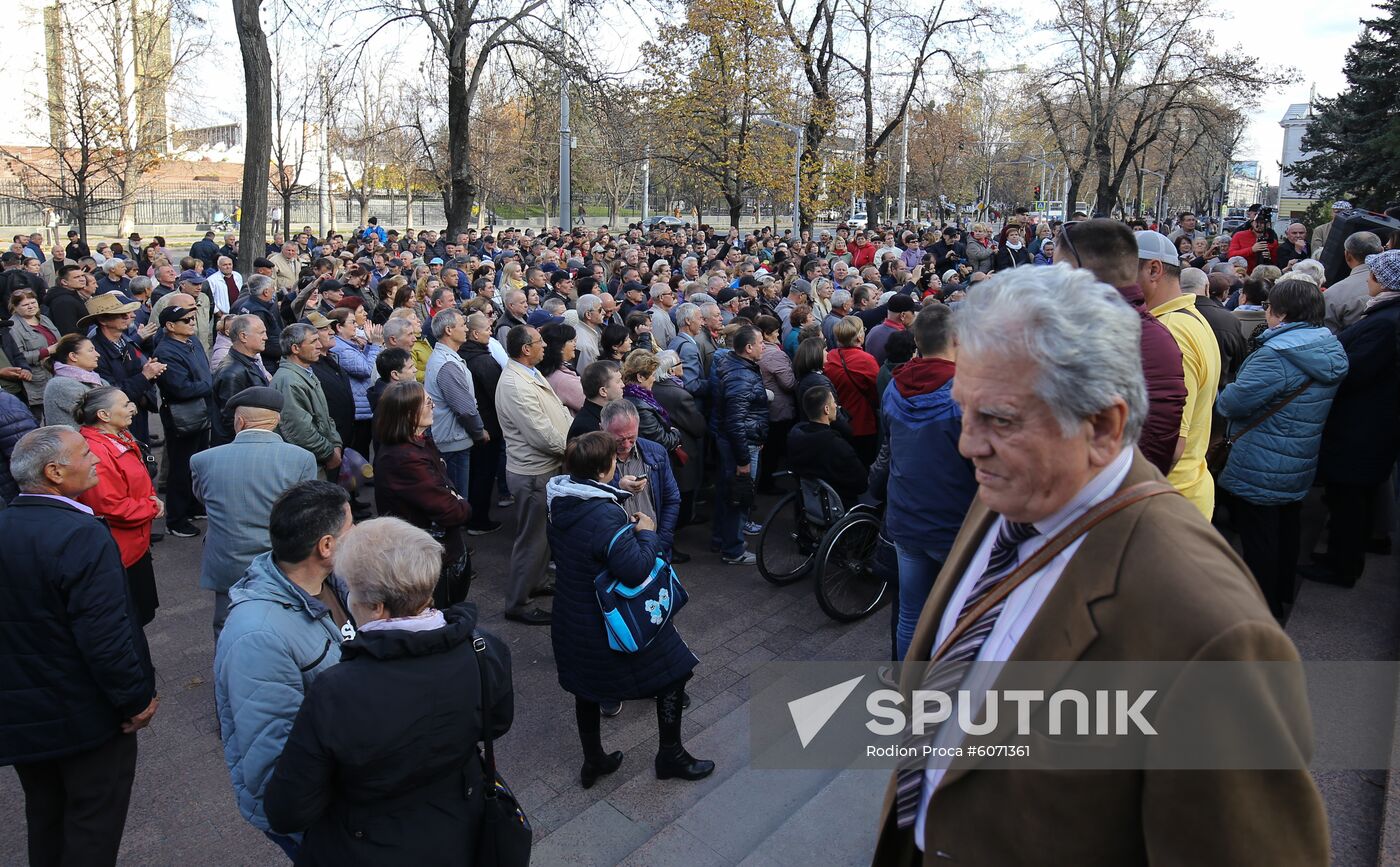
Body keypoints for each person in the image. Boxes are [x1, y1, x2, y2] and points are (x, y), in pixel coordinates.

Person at [870, 263, 1327, 865]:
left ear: (1105, 427)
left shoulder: (1212, 629)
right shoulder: (1009, 485)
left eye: (1001, 420)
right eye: (966, 410)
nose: (968, 444)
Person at [261, 518, 513, 862]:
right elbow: (497, 722)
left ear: (377, 606)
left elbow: (288, 810)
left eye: (350, 590)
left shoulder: (337, 691)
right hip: (462, 825)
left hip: (371, 845)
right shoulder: (485, 648)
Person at [0, 427, 159, 867]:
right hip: (84, 715)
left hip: (24, 714)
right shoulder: (79, 533)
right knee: (92, 826)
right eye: (85, 453)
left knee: (46, 817)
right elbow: (106, 637)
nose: (95, 460)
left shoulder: (8, 524)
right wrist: (135, 699)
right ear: (54, 473)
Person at [545, 431, 712, 789]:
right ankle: (671, 754)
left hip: (572, 618)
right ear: (605, 469)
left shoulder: (561, 501)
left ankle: (594, 761)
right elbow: (635, 568)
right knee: (673, 673)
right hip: (609, 620)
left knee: (586, 689)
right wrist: (647, 531)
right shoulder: (602, 515)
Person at [214, 480, 353, 855]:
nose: (356, 537)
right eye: (350, 530)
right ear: (326, 546)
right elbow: (274, 763)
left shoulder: (329, 582)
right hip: (320, 820)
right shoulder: (257, 637)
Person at [1213, 279, 1347, 620]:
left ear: (1281, 312)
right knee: (1288, 528)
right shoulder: (1328, 346)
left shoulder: (1275, 355)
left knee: (1258, 538)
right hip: (1298, 457)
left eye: (1270, 307)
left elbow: (1233, 404)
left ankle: (1262, 608)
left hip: (1261, 457)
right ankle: (1282, 591)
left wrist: (1218, 393)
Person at [867, 305, 977, 660]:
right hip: (953, 526)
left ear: (917, 342)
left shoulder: (894, 388)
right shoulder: (967, 393)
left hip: (906, 520)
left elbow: (889, 447)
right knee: (962, 615)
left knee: (911, 613)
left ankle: (908, 687)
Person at [1053, 219, 1185, 476]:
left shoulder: (1098, 333)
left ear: (1078, 274)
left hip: (1096, 496)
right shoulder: (1155, 334)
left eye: (1058, 271)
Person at [192, 387, 319, 635]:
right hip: (281, 563)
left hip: (228, 563)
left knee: (228, 626)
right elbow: (304, 513)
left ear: (239, 421)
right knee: (284, 627)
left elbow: (203, 499)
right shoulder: (302, 459)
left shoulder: (202, 460)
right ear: (277, 420)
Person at [1308, 249, 1400, 588]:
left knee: (1350, 501)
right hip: (1367, 424)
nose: (1368, 281)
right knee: (1351, 499)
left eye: (1373, 275)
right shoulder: (1384, 314)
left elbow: (1353, 371)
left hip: (1363, 427)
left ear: (1384, 281)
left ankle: (1342, 566)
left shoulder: (1386, 322)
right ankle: (1340, 557)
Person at [1136, 231, 1220, 519]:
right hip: (1183, 494)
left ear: (1154, 269)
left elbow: (1169, 444)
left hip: (1166, 504)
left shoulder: (1169, 332)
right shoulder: (1191, 318)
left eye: (1122, 273)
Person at [496, 325, 572, 624]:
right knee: (531, 540)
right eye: (540, 342)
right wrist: (571, 448)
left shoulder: (531, 372)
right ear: (526, 349)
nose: (545, 347)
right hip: (532, 473)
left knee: (542, 537)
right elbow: (540, 433)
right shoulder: (515, 383)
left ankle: (537, 582)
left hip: (545, 469)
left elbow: (557, 410)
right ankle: (517, 603)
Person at [373, 381, 473, 607]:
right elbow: (451, 510)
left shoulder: (418, 443)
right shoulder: (404, 458)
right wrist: (461, 504)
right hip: (425, 557)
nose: (434, 406)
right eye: (427, 402)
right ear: (408, 414)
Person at [73, 387, 162, 626]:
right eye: (124, 405)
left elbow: (137, 478)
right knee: (129, 619)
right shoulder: (96, 451)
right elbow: (109, 506)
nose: (132, 408)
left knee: (140, 615)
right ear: (103, 415)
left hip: (135, 544)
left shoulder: (118, 437)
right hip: (121, 551)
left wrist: (151, 497)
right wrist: (151, 507)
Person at [153, 304, 214, 538]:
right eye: (186, 320)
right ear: (170, 326)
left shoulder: (193, 342)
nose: (192, 323)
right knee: (181, 468)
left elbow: (201, 373)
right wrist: (210, 384)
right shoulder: (166, 351)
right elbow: (179, 388)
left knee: (196, 464)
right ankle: (175, 519)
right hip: (182, 416)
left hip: (200, 411)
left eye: (192, 318)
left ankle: (193, 506)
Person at [711, 324, 769, 564]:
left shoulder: (737, 366)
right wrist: (744, 459)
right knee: (738, 495)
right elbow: (735, 421)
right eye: (760, 343)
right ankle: (733, 550)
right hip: (740, 446)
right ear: (748, 348)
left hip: (738, 441)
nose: (764, 346)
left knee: (728, 493)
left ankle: (720, 538)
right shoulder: (741, 376)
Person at [602, 399, 681, 558]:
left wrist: (662, 541)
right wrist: (618, 489)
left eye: (632, 437)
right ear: (601, 429)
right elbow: (587, 503)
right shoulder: (595, 458)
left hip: (655, 546)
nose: (626, 445)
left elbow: (671, 499)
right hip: (614, 549)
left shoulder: (656, 452)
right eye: (619, 440)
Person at [423, 308, 485, 499]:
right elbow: (465, 409)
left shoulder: (446, 358)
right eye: (462, 325)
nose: (466, 329)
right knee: (456, 500)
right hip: (453, 442)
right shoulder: (447, 364)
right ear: (449, 330)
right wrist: (479, 431)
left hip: (452, 438)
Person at [270, 323, 343, 479]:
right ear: (295, 348)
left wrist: (336, 444)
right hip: (308, 465)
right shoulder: (288, 381)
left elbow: (325, 416)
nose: (320, 345)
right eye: (313, 342)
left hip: (317, 460)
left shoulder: (306, 372)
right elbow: (299, 430)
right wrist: (329, 453)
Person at [459, 312, 505, 534]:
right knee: (483, 475)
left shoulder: (465, 355)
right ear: (475, 334)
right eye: (487, 329)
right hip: (488, 427)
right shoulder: (483, 361)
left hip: (480, 425)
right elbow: (499, 394)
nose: (491, 332)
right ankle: (478, 520)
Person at [787, 386, 867, 505]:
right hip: (838, 505)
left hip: (809, 504)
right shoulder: (837, 446)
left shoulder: (795, 437)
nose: (836, 406)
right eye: (834, 402)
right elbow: (861, 484)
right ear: (826, 409)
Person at [326, 308, 381, 459]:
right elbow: (367, 369)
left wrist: (369, 345)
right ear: (339, 327)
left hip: (362, 408)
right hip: (358, 411)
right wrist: (375, 344)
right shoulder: (341, 349)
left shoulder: (348, 344)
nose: (356, 325)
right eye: (352, 322)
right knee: (357, 457)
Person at [825, 316, 880, 465]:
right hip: (863, 422)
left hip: (838, 421)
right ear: (859, 336)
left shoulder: (830, 356)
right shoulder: (866, 360)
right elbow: (877, 391)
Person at [211, 314, 272, 445]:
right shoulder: (232, 373)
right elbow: (231, 420)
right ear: (243, 336)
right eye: (261, 333)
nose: (266, 337)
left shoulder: (248, 362)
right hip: (244, 445)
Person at [1182, 267, 1245, 388]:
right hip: (1218, 387)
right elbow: (1239, 360)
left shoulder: (1164, 315)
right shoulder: (1229, 319)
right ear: (1206, 288)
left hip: (1179, 388)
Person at [42, 333, 108, 429]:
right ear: (73, 356)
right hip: (78, 442)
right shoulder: (60, 385)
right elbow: (102, 415)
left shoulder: (101, 381)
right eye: (91, 350)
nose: (97, 354)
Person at [1323, 231, 1383, 334]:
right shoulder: (1393, 284)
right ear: (1381, 251)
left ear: (1347, 255)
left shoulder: (1333, 294)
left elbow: (1330, 337)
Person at [569, 359, 624, 440]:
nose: (623, 385)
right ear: (603, 391)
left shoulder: (609, 414)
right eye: (618, 381)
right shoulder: (586, 429)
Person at [539, 321, 584, 414]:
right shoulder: (563, 380)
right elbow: (589, 403)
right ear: (559, 347)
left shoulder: (554, 369)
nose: (575, 344)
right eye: (571, 341)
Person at [864, 293, 916, 367]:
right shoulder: (901, 338)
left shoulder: (873, 330)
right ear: (903, 315)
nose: (914, 316)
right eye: (913, 312)